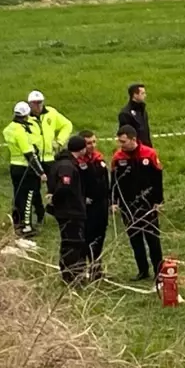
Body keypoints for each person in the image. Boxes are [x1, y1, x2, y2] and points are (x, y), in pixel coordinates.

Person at [110, 125, 164, 283]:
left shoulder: (149, 154)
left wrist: (158, 201)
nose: (121, 145)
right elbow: (114, 182)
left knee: (152, 239)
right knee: (135, 239)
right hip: (128, 205)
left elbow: (157, 179)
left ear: (134, 139)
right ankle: (142, 270)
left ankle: (158, 270)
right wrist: (114, 202)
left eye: (124, 142)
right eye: (120, 142)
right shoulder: (118, 157)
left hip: (147, 203)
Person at [45, 136, 89, 285]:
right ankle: (72, 276)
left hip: (67, 210)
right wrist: (55, 200)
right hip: (71, 211)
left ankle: (69, 274)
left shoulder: (61, 163)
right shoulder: (67, 166)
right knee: (73, 244)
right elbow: (65, 187)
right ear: (82, 149)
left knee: (69, 243)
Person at [27, 90, 72, 226]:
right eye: (35, 103)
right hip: (34, 158)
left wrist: (59, 141)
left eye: (40, 102)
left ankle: (59, 212)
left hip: (49, 158)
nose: (38, 105)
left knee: (56, 187)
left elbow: (66, 125)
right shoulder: (26, 118)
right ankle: (39, 214)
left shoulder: (51, 113)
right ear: (29, 104)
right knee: (34, 189)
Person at [3, 101, 46, 237]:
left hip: (14, 165)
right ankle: (26, 226)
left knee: (18, 195)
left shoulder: (9, 128)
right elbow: (29, 154)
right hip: (25, 168)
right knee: (28, 196)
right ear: (26, 114)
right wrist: (41, 172)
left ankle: (16, 222)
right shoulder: (20, 131)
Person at [79, 130, 110, 281]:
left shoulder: (99, 158)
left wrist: (110, 200)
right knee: (87, 237)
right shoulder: (78, 162)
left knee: (100, 235)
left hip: (102, 204)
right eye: (88, 143)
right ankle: (84, 267)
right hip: (87, 206)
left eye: (93, 142)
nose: (92, 146)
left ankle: (97, 267)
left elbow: (106, 180)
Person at [118, 83, 152, 147]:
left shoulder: (143, 111)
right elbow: (125, 136)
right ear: (135, 95)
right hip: (134, 149)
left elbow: (146, 132)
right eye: (142, 93)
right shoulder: (125, 114)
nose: (145, 95)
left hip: (146, 148)